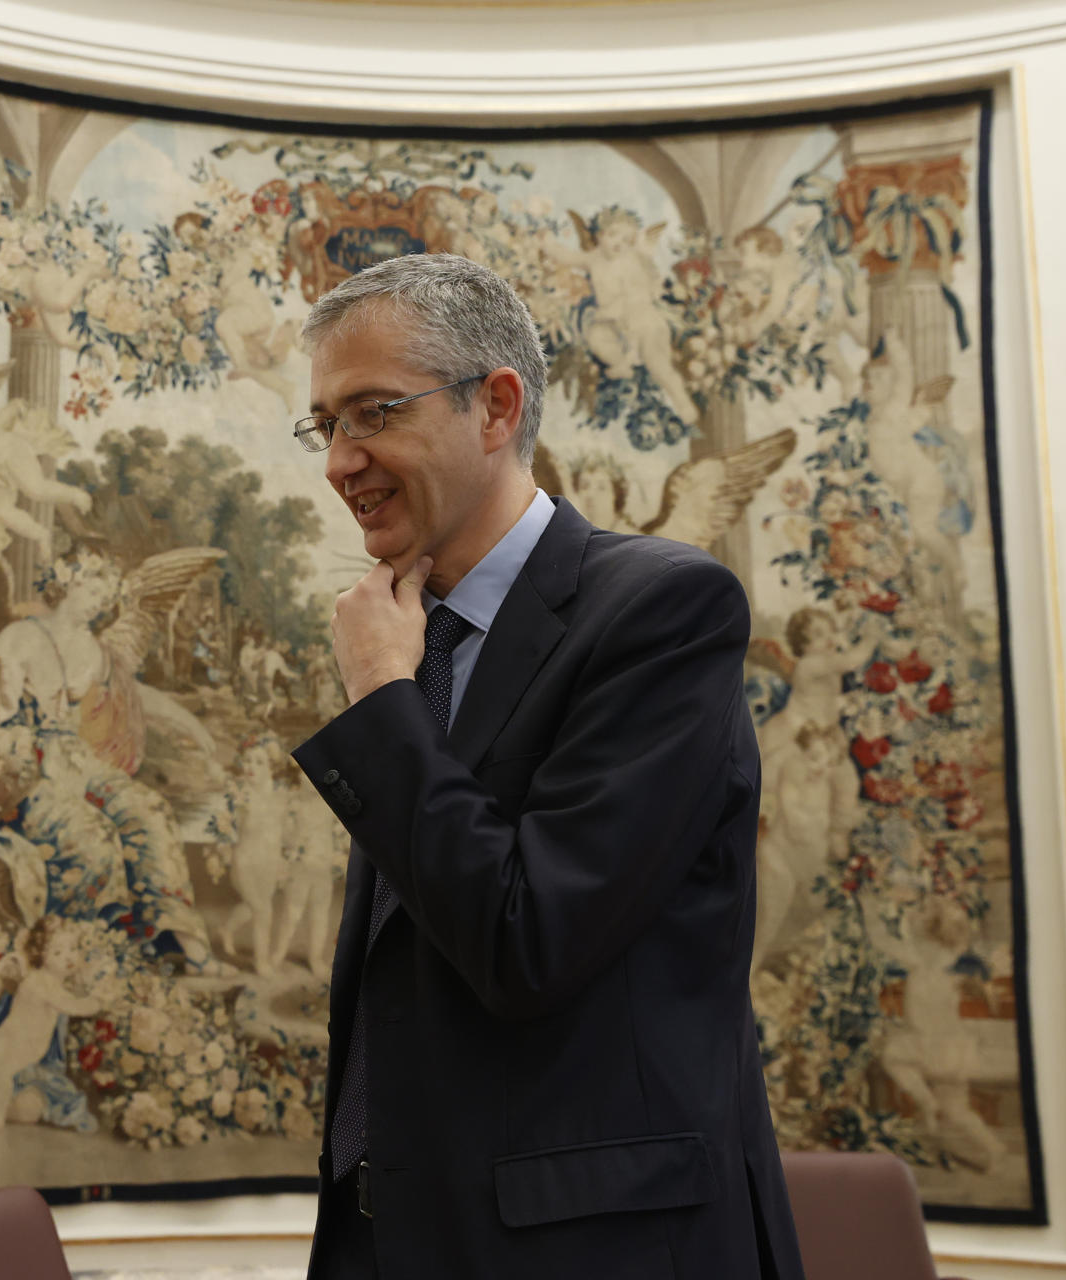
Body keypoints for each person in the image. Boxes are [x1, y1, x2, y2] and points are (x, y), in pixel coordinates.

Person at [288, 253, 802, 1278]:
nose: (342, 461)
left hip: (593, 1248)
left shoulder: (662, 610)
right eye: (326, 425)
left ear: (496, 406)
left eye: (374, 411)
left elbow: (530, 941)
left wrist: (388, 703)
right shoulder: (411, 639)